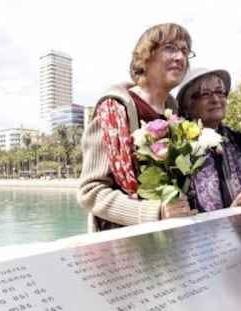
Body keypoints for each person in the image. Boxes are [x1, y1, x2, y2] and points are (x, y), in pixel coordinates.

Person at [77, 23, 197, 232]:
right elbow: (90, 192)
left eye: (185, 51)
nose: (180, 57)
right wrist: (155, 212)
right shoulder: (115, 110)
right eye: (170, 48)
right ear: (145, 56)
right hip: (125, 250)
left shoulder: (177, 114)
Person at [176, 67, 241, 212]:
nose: (216, 99)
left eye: (220, 92)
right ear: (187, 104)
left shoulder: (239, 142)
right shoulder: (176, 146)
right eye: (205, 94)